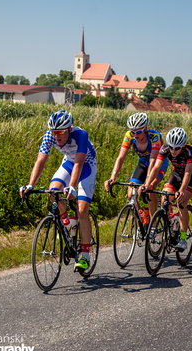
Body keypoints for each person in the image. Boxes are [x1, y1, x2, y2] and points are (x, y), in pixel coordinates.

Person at [19, 110, 97, 270]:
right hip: (68, 163)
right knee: (53, 191)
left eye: (60, 132)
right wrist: (30, 185)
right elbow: (40, 161)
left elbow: (79, 164)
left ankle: (85, 255)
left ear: (69, 129)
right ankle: (67, 222)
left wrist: (72, 187)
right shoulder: (49, 136)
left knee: (82, 210)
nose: (57, 136)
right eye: (54, 132)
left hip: (86, 166)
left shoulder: (80, 135)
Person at [142, 127, 192, 250]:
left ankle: (183, 238)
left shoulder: (190, 151)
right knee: (165, 198)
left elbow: (188, 173)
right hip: (176, 175)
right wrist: (147, 184)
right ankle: (172, 220)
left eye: (177, 148)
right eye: (171, 147)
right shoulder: (165, 149)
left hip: (191, 178)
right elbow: (156, 167)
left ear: (183, 146)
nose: (173, 150)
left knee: (181, 203)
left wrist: (182, 190)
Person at [104, 113, 168, 219]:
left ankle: (153, 224)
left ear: (145, 129)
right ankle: (142, 218)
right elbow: (120, 158)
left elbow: (153, 162)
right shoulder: (129, 136)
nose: (136, 135)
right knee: (131, 194)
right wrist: (112, 177)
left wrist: (146, 183)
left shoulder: (154, 137)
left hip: (158, 164)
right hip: (143, 164)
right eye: (133, 132)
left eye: (138, 132)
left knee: (150, 189)